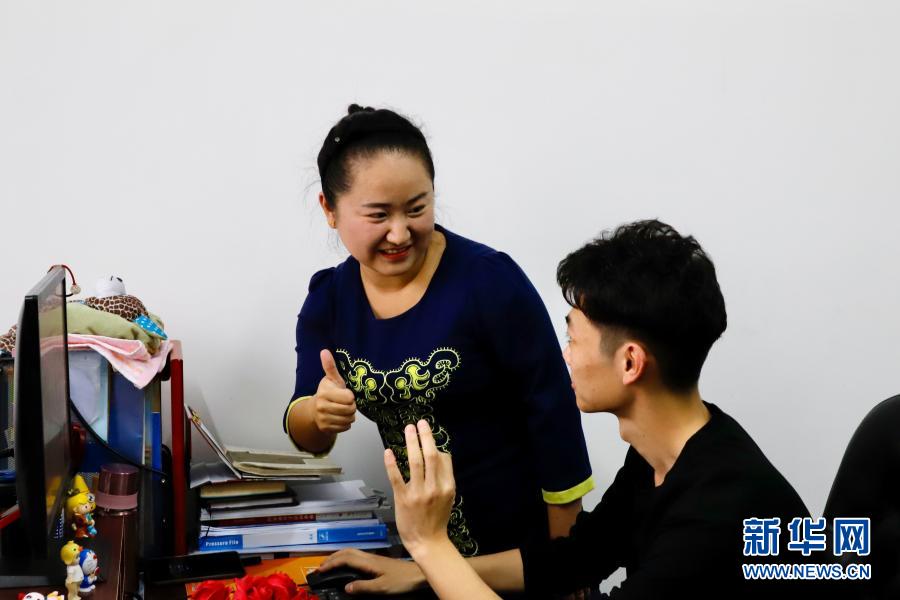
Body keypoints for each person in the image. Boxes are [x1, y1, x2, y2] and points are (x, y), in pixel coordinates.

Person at [320, 220, 833, 598]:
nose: (563, 355)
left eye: (573, 338)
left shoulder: (716, 516)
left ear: (629, 362)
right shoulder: (666, 454)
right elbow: (574, 558)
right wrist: (422, 571)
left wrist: (429, 543)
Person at [283, 105, 593, 557]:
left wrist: (566, 561)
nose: (399, 233)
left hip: (520, 550)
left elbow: (554, 417)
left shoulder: (489, 282)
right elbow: (304, 426)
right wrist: (317, 413)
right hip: (423, 551)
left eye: (416, 209)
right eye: (378, 215)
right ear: (330, 209)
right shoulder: (328, 300)